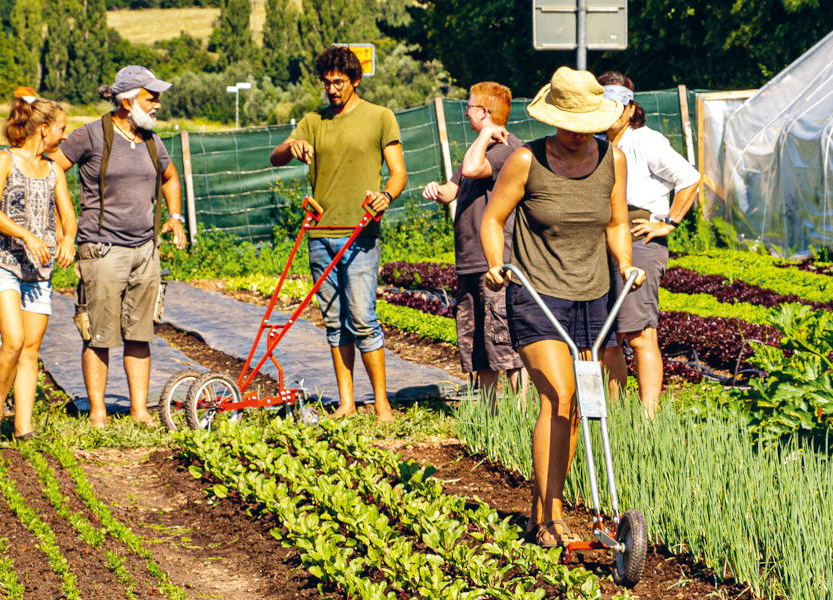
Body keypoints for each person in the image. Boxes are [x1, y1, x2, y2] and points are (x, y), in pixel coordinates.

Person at [479, 67, 644, 548]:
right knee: (559, 396)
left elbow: (616, 222)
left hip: (592, 297)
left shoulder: (613, 159)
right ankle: (549, 515)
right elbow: (494, 219)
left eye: (585, 124)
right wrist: (496, 263)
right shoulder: (527, 160)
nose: (577, 134)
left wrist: (626, 264)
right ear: (554, 119)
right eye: (568, 124)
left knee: (577, 410)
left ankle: (543, 506)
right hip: (537, 294)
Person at [269, 46, 407, 422]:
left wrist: (386, 196)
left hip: (360, 234)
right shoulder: (313, 121)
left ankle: (381, 404)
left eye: (339, 82)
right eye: (327, 82)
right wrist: (291, 145)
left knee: (362, 318)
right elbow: (276, 156)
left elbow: (398, 173)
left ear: (355, 80)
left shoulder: (380, 117)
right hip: (320, 236)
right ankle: (346, 404)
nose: (332, 89)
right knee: (334, 321)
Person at [53, 66, 187, 428]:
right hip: (102, 250)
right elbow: (52, 170)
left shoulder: (150, 140)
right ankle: (97, 414)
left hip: (145, 251)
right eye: (151, 97)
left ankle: (139, 410)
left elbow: (170, 177)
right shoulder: (92, 136)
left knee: (141, 333)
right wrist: (66, 225)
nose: (157, 104)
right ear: (127, 102)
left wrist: (175, 217)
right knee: (98, 334)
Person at [597, 71, 701, 415]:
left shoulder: (644, 140)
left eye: (616, 106)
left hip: (639, 239)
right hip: (604, 238)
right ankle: (615, 416)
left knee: (639, 333)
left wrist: (668, 222)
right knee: (607, 337)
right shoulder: (597, 146)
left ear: (630, 109)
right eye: (602, 105)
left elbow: (689, 177)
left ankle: (647, 418)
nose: (609, 112)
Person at [0, 90, 77, 441]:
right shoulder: (5, 160)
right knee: (14, 340)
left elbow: (68, 214)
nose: (65, 136)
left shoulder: (53, 171)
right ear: (44, 129)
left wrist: (67, 239)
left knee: (31, 349)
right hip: (2, 263)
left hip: (38, 272)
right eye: (62, 129)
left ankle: (24, 428)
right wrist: (28, 236)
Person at [421, 82, 526, 407]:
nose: (465, 111)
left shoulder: (505, 149)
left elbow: (471, 169)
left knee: (504, 342)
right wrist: (435, 189)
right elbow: (452, 189)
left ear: (484, 112)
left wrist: (485, 135)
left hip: (494, 261)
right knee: (477, 342)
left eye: (470, 107)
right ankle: (489, 412)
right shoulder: (480, 149)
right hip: (470, 261)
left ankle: (520, 414)